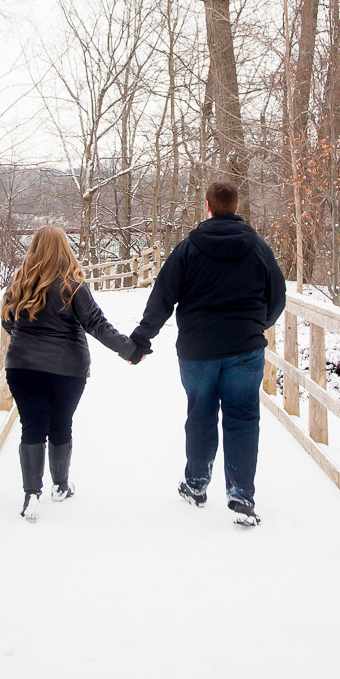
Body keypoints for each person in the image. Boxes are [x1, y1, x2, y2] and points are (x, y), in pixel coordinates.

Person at [130, 180, 285, 526]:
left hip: (198, 351)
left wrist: (141, 339)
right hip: (245, 348)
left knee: (200, 414)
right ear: (236, 207)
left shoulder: (188, 249)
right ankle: (241, 495)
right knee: (243, 418)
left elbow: (163, 297)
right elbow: (277, 297)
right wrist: (258, 324)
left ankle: (197, 484)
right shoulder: (258, 248)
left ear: (208, 207)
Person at [1, 224, 143, 520]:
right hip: (67, 369)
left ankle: (31, 494)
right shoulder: (72, 285)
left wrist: (28, 336)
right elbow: (96, 323)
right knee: (61, 424)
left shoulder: (19, 283)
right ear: (65, 249)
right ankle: (60, 486)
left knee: (32, 426)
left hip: (23, 366)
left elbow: (8, 322)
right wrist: (129, 350)